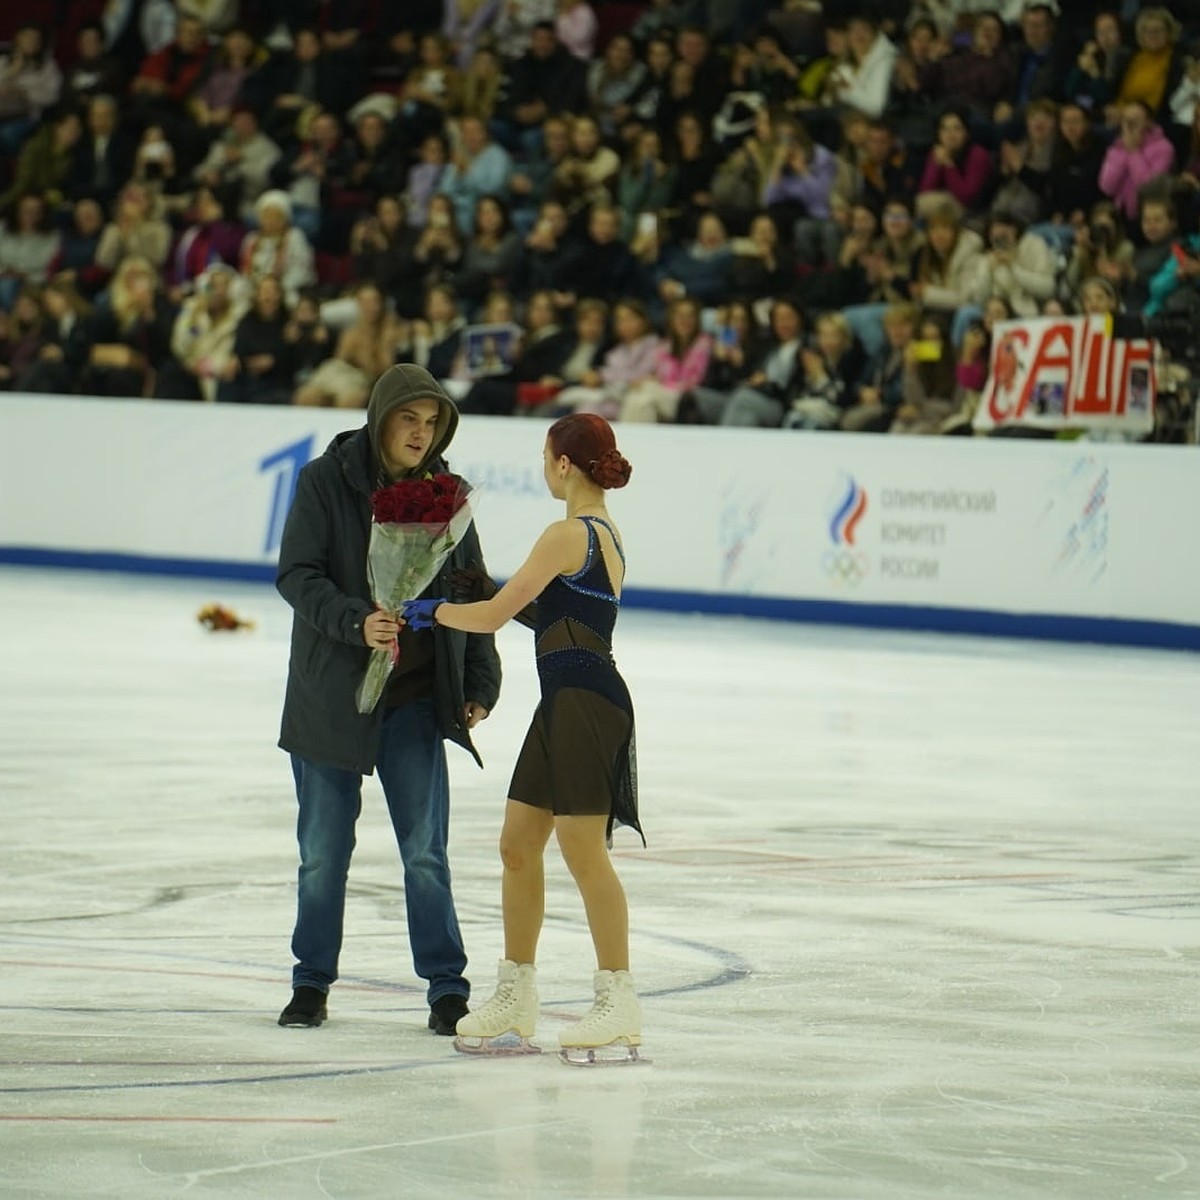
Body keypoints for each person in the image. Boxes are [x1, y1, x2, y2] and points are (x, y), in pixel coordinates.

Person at [400, 413, 643, 1062]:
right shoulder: (599, 533)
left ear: (564, 465)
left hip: (586, 705)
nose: (543, 468)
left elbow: (495, 616)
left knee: (583, 850)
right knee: (517, 844)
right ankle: (518, 992)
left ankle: (617, 999)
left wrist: (430, 612)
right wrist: (486, 592)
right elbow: (558, 618)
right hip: (567, 701)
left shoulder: (568, 532)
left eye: (545, 457)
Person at [275, 363, 502, 1034]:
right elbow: (297, 573)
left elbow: (473, 593)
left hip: (414, 702)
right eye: (410, 419)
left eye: (432, 424)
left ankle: (446, 989)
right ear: (381, 418)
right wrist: (356, 621)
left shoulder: (447, 497)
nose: (420, 434)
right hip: (331, 698)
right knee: (322, 854)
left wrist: (479, 685)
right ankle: (310, 983)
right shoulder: (325, 481)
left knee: (424, 851)